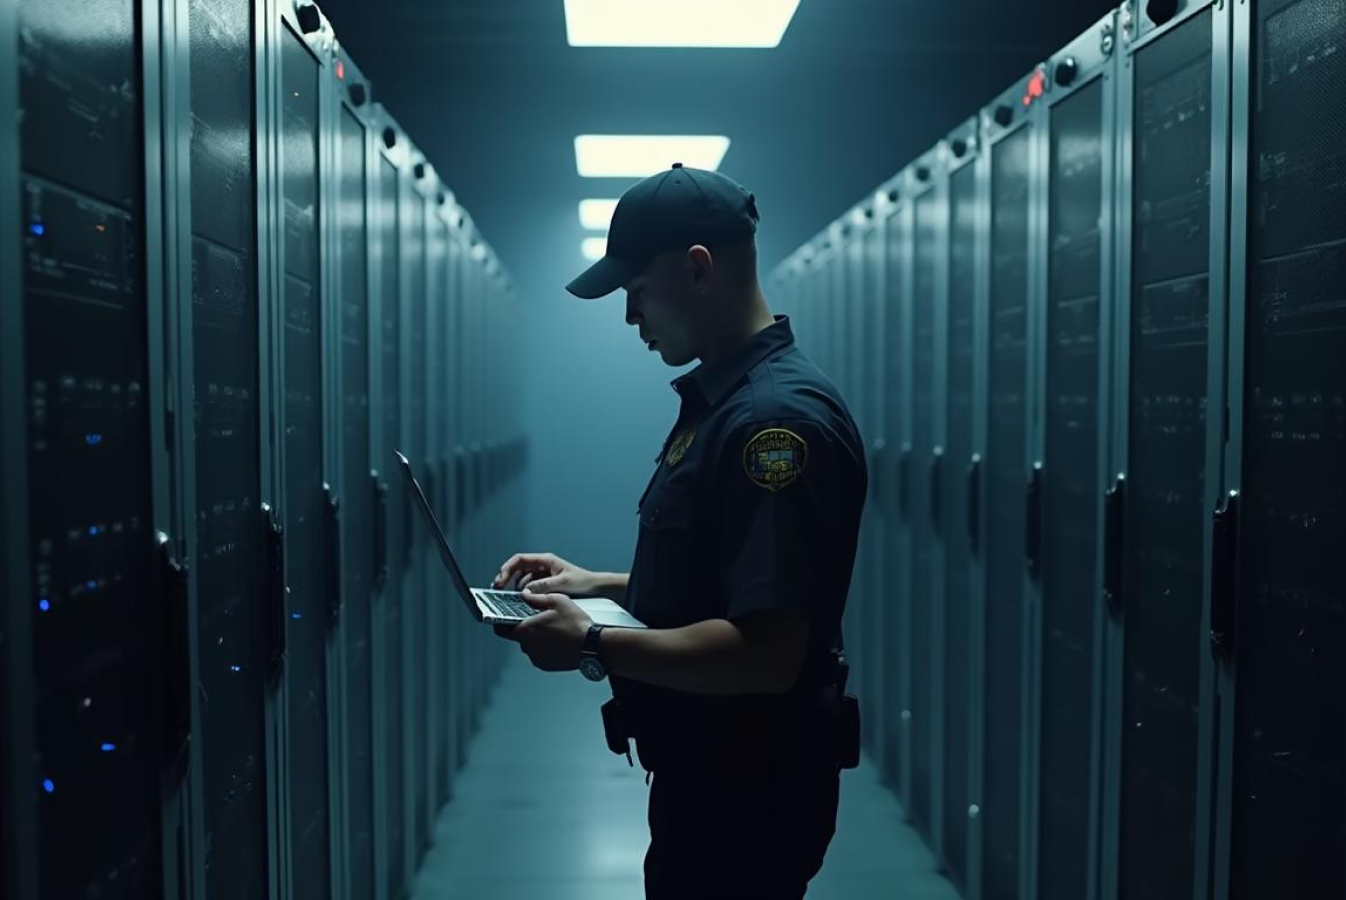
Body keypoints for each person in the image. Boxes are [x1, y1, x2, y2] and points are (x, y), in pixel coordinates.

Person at [492, 163, 866, 899]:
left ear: (698, 269)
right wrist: (594, 584)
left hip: (745, 795)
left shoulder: (771, 425)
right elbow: (731, 580)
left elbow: (764, 652)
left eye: (636, 293)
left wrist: (591, 643)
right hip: (717, 778)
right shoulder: (727, 404)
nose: (632, 318)